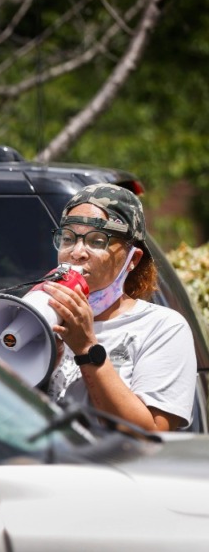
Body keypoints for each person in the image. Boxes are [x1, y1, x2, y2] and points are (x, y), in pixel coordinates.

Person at [43, 184, 196, 432]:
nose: (77, 252)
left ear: (132, 259)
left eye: (97, 241)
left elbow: (152, 435)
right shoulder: (41, 316)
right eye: (68, 238)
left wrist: (87, 348)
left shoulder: (162, 328)